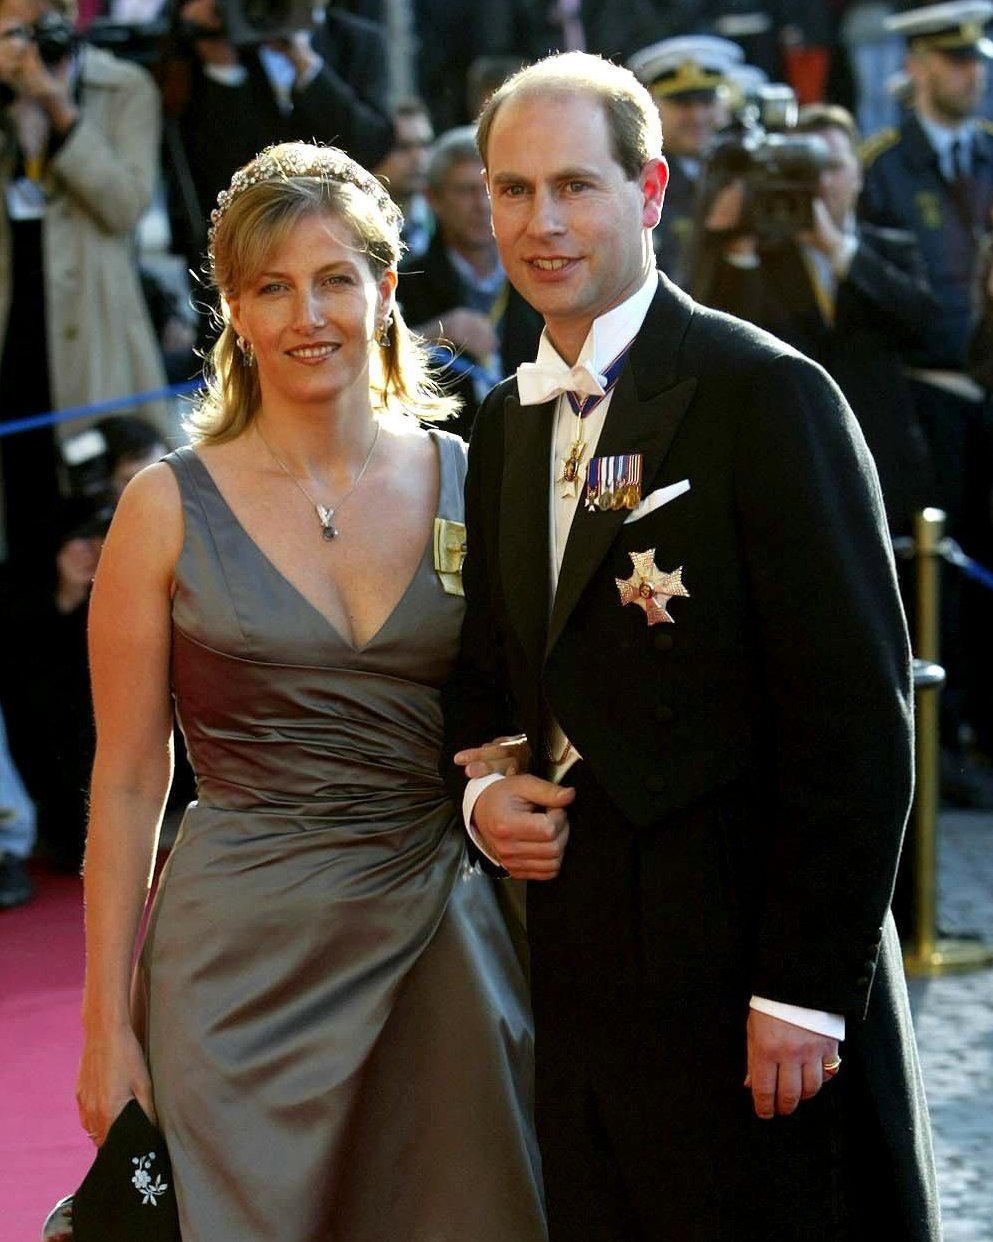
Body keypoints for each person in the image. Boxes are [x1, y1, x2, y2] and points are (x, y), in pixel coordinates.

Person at [441, 51, 939, 1242]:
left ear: (652, 191)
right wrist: (482, 799)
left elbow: (859, 721)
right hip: (583, 985)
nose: (541, 222)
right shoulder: (503, 425)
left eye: (576, 186)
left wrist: (806, 993)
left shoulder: (767, 394)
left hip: (750, 986)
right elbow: (488, 673)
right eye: (513, 190)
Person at [75, 141, 545, 1242]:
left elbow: (520, 712)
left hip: (439, 941)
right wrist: (107, 1020)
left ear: (386, 288)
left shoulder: (473, 477)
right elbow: (133, 775)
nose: (309, 315)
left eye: (336, 278)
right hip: (235, 967)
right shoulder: (164, 505)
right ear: (233, 309)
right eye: (272, 287)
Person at [860, 1, 993, 805]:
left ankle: (978, 728)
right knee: (925, 578)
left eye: (974, 60)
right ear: (913, 67)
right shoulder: (883, 168)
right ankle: (935, 745)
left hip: (986, 395)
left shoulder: (986, 157)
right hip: (921, 402)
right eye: (950, 61)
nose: (968, 75)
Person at [693, 102, 936, 537]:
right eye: (803, 169)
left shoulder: (891, 249)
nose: (820, 182)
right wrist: (742, 236)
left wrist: (836, 249)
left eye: (834, 166)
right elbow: (723, 335)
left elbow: (923, 326)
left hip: (888, 465)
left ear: (860, 174)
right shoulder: (761, 260)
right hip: (793, 467)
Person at [0, 0, 167, 581]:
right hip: (13, 330)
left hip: (92, 335)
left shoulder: (123, 87)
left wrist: (57, 107)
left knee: (99, 522)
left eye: (32, 28)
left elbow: (124, 205)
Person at [398, 126, 542, 438]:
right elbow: (371, 367)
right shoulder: (404, 283)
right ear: (432, 198)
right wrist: (430, 336)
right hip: (445, 455)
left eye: (490, 190)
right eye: (465, 191)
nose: (481, 205)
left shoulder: (542, 273)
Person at [627, 33, 744, 287]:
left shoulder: (742, 168)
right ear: (652, 107)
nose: (698, 116)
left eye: (707, 101)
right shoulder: (636, 179)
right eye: (682, 104)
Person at [372, 97, 435, 260]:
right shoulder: (349, 228)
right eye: (403, 147)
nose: (419, 157)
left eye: (425, 144)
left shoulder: (446, 219)